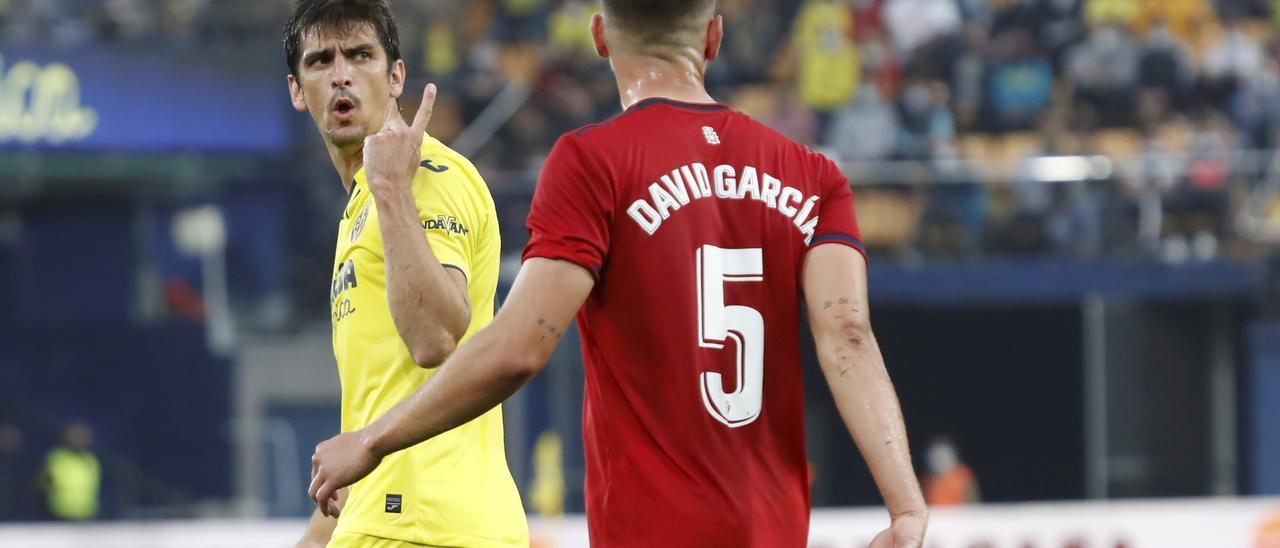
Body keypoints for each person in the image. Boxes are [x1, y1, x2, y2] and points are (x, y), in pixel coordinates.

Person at [309, 1, 928, 546]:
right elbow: (848, 336)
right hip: (773, 530)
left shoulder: (593, 162)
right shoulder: (814, 174)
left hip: (647, 531)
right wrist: (905, 507)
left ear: (600, 37)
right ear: (713, 39)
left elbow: (521, 345)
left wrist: (374, 439)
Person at [282, 1, 526, 546]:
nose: (342, 73)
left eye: (361, 56)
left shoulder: (427, 175)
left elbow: (436, 335)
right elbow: (374, 416)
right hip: (385, 523)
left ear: (396, 77)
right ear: (298, 91)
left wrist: (392, 189)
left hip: (427, 526)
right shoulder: (363, 204)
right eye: (321, 61)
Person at [40, 422, 100, 521]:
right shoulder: (56, 458)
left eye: (83, 436)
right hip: (58, 516)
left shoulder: (92, 460)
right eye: (76, 436)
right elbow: (44, 484)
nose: (80, 439)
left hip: (87, 516)